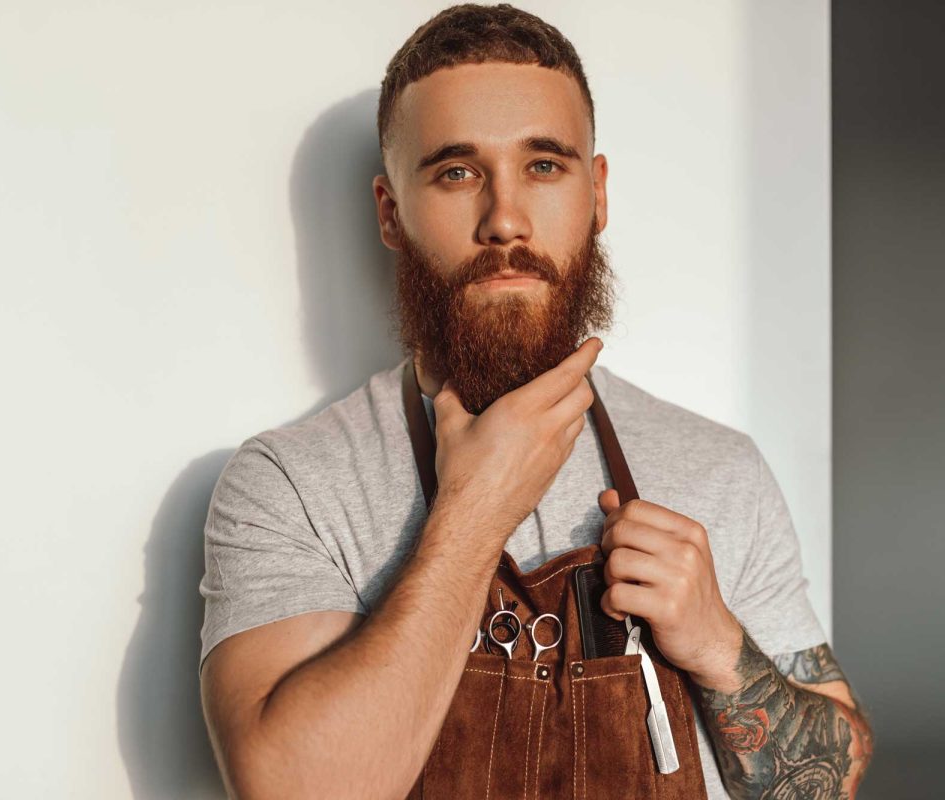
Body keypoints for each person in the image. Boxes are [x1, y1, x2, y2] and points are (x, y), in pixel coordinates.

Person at [197, 4, 873, 798]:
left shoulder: (720, 470)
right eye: (457, 172)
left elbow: (830, 783)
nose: (505, 220)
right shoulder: (291, 483)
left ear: (599, 193)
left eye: (544, 166)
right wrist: (473, 514)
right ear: (390, 211)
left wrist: (720, 645)